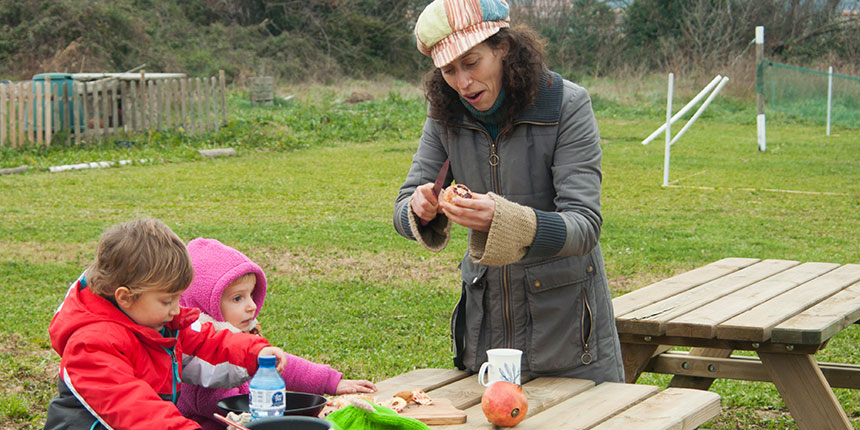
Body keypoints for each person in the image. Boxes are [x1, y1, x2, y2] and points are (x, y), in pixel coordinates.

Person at [393, 0, 624, 384]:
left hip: (568, 337)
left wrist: (502, 219)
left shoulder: (567, 105)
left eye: (471, 62)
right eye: (448, 70)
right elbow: (403, 209)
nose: (462, 83)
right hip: (487, 335)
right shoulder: (444, 114)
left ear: (502, 47)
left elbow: (584, 225)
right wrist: (419, 209)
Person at [44, 218, 289, 430]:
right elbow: (137, 411)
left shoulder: (156, 320)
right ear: (125, 297)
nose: (176, 308)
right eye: (167, 300)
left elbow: (206, 338)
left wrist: (254, 350)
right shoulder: (91, 345)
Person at [178, 237, 377, 430]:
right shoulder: (201, 361)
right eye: (238, 298)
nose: (252, 306)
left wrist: (330, 381)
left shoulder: (244, 342)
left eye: (251, 294)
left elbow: (278, 365)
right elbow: (234, 413)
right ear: (205, 304)